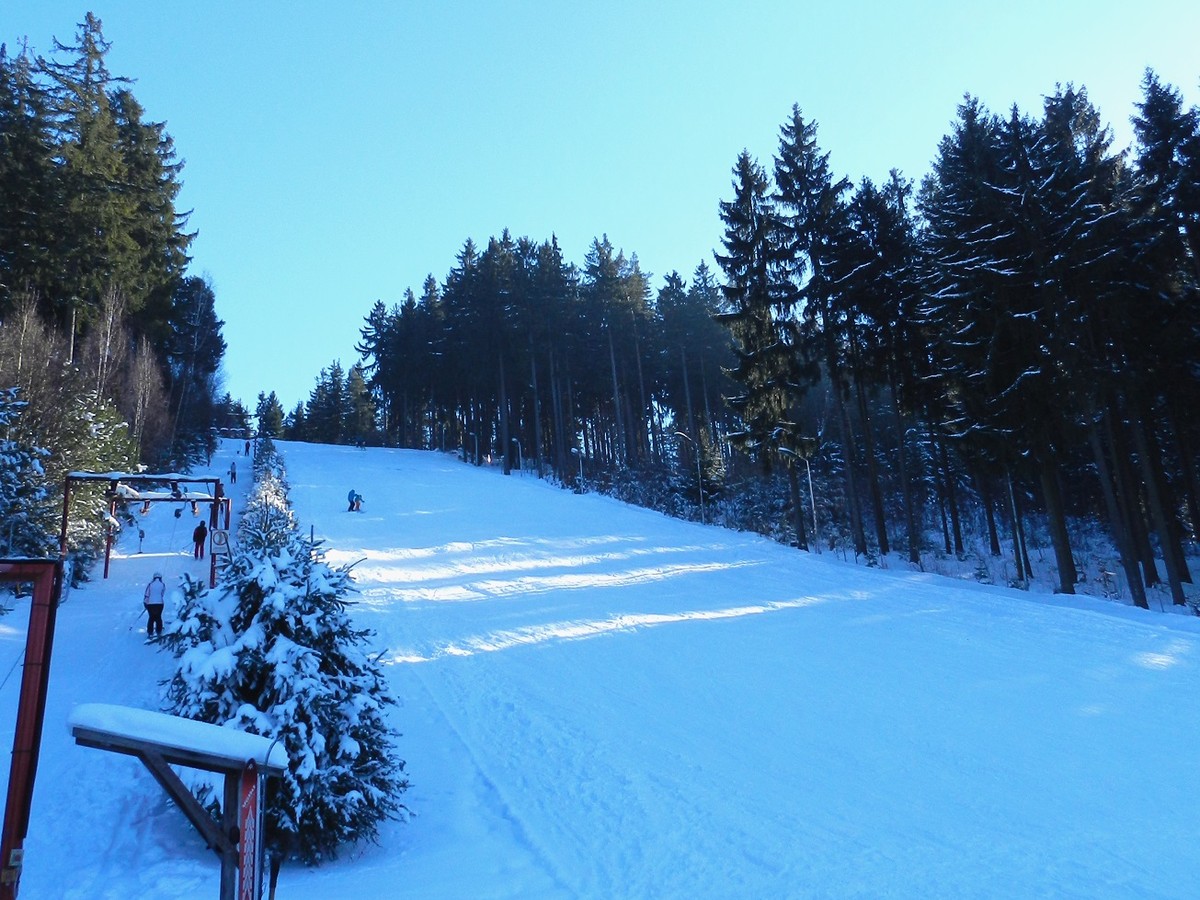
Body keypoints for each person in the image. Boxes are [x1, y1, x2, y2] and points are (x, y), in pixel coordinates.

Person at [143, 573, 166, 638]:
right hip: (160, 603)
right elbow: (162, 593)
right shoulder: (162, 584)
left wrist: (145, 603)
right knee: (158, 617)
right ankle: (159, 631)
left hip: (151, 604)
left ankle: (150, 632)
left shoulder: (150, 584)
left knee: (151, 617)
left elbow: (147, 594)